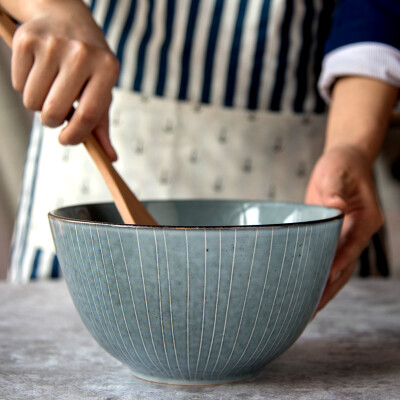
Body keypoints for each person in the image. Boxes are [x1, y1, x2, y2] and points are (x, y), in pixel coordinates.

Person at [1, 0, 399, 313]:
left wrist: (351, 146)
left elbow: (375, 10)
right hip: (90, 145)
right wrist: (48, 8)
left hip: (307, 176)